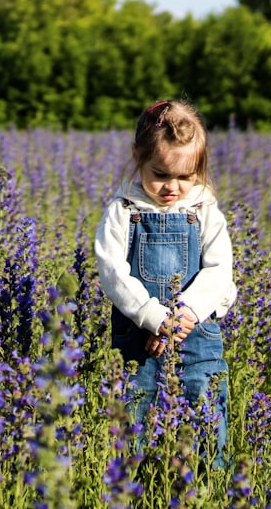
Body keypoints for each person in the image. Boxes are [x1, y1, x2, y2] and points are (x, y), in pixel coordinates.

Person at [94, 98, 237, 469]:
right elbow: (112, 272)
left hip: (197, 335)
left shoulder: (204, 210)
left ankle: (208, 486)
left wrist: (185, 312)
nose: (172, 187)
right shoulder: (124, 210)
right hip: (140, 343)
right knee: (135, 426)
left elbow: (220, 270)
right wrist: (154, 316)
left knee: (205, 421)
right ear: (137, 156)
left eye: (186, 177)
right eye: (160, 174)